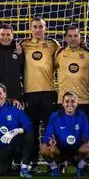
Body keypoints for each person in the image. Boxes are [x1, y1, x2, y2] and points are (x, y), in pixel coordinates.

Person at [20, 16, 60, 165]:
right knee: (32, 129)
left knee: (52, 128)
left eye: (40, 27)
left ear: (45, 28)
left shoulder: (53, 45)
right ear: (30, 29)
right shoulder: (23, 45)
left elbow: (59, 64)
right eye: (35, 27)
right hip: (30, 93)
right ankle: (33, 162)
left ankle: (54, 162)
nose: (38, 30)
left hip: (49, 92)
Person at [39, 91, 89, 178]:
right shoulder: (55, 116)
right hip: (60, 152)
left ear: (77, 103)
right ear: (62, 103)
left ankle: (80, 168)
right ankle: (54, 169)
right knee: (43, 148)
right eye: (67, 101)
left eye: (73, 101)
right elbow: (48, 134)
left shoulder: (82, 116)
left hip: (77, 152)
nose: (70, 104)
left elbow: (87, 134)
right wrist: (49, 140)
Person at [0, 82, 35, 178]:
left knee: (28, 134)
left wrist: (14, 131)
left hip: (17, 145)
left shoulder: (15, 108)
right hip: (3, 148)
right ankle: (15, 167)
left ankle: (24, 167)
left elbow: (29, 125)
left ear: (5, 94)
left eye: (0, 93)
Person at [54, 25, 89, 124]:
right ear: (65, 38)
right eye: (70, 36)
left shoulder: (88, 54)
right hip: (64, 102)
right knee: (63, 135)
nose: (73, 39)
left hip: (83, 101)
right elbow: (50, 70)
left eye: (75, 36)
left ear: (80, 38)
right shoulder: (59, 53)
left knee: (85, 136)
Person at [0, 23, 24, 106]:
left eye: (8, 34)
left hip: (15, 96)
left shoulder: (19, 51)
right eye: (2, 34)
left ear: (12, 35)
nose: (5, 37)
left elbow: (24, 72)